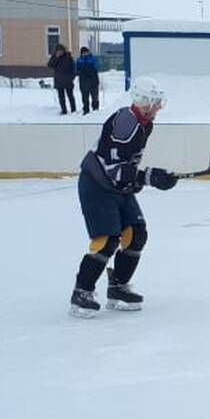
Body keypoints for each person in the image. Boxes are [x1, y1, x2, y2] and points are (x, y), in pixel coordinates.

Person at [69, 77, 178, 317]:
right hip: (97, 186)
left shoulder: (144, 122)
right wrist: (149, 177)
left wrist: (152, 177)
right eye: (156, 102)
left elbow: (124, 168)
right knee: (108, 240)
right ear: (144, 101)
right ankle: (81, 292)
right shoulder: (125, 122)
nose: (159, 107)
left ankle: (118, 287)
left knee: (136, 234)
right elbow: (111, 168)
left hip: (118, 186)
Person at [47, 45, 75, 116]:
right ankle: (64, 110)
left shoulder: (68, 57)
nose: (60, 52)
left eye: (61, 51)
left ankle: (73, 109)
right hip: (59, 81)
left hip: (68, 80)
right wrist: (56, 57)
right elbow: (50, 65)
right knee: (61, 97)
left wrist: (72, 77)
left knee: (70, 96)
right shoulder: (54, 57)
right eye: (58, 51)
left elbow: (73, 67)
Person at [76, 47, 101, 115]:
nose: (85, 53)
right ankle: (86, 110)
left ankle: (95, 110)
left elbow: (97, 67)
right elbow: (76, 69)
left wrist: (88, 68)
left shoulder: (93, 59)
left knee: (95, 97)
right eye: (83, 52)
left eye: (86, 52)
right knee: (85, 97)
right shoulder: (79, 60)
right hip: (83, 81)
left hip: (93, 81)